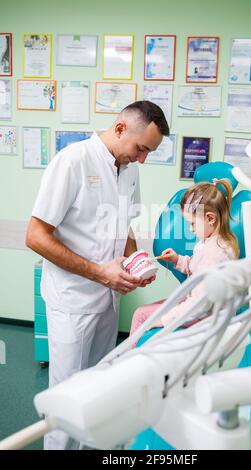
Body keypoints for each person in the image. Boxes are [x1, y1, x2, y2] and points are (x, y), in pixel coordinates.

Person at [25, 100, 169, 450]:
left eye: (149, 152)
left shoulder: (130, 168)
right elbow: (35, 236)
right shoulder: (73, 161)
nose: (142, 159)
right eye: (141, 149)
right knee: (66, 399)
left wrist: (136, 262)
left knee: (96, 392)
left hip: (108, 299)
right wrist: (100, 273)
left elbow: (125, 225)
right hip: (72, 301)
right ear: (120, 128)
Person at [130, 178, 239, 336]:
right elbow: (197, 267)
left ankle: (132, 360)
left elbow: (198, 304)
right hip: (208, 311)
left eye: (193, 223)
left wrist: (164, 320)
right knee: (145, 312)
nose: (191, 229)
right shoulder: (216, 243)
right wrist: (177, 259)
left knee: (141, 315)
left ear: (210, 218)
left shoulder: (214, 253)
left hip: (205, 317)